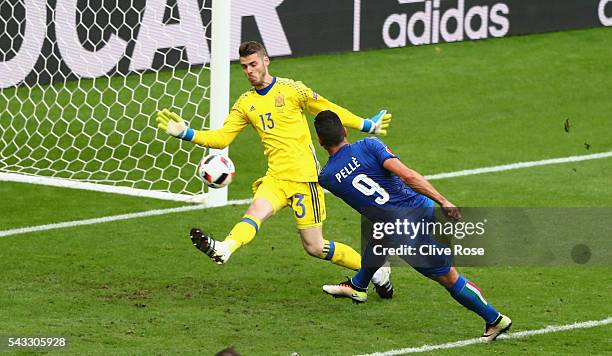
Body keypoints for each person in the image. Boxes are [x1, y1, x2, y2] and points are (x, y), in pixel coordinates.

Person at [155, 41, 393, 297]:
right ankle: (224, 248)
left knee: (314, 247)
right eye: (244, 67)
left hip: (306, 181)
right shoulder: (245, 103)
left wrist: (367, 125)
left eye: (253, 64)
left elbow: (327, 109)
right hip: (276, 178)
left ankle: (376, 271)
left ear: (266, 61)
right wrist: (186, 133)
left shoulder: (292, 90)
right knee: (255, 212)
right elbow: (222, 138)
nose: (249, 71)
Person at [314, 110, 511, 341]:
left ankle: (495, 320)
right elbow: (408, 176)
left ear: (320, 142)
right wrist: (443, 200)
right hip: (423, 208)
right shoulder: (370, 144)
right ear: (345, 132)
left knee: (449, 278)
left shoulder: (327, 177)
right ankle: (358, 285)